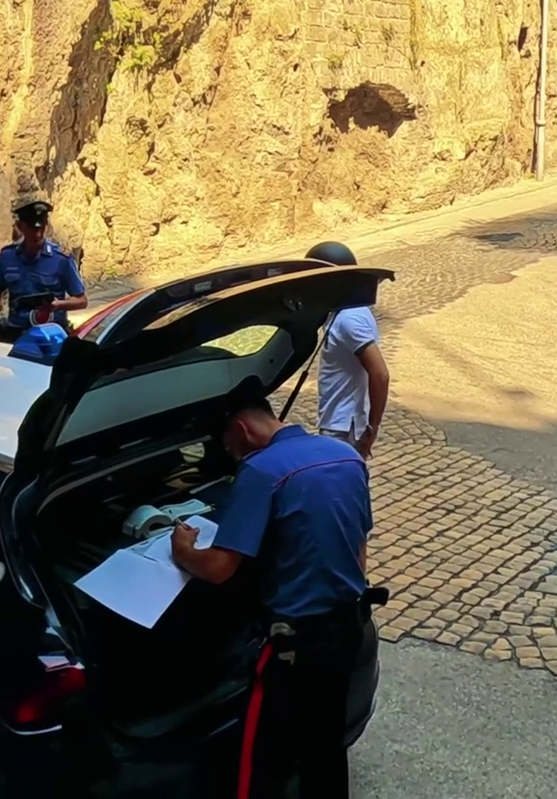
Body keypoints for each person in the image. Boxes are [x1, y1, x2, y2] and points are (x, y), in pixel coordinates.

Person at [172, 391, 378, 799]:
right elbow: (358, 546)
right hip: (347, 625)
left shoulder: (261, 469)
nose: (232, 456)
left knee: (266, 755)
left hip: (295, 642)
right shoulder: (346, 457)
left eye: (229, 447)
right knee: (326, 745)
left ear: (241, 429)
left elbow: (219, 569)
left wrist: (184, 551)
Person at [306, 242, 390, 460]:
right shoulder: (349, 310)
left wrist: (373, 427)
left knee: (336, 479)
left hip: (342, 427)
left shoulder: (349, 319)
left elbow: (380, 374)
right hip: (340, 423)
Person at [0, 199, 88, 342]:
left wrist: (58, 305)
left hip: (51, 337)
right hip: (16, 336)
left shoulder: (61, 259)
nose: (38, 234)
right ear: (20, 227)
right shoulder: (7, 257)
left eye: (41, 229)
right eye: (32, 229)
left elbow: (81, 300)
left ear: (46, 226)